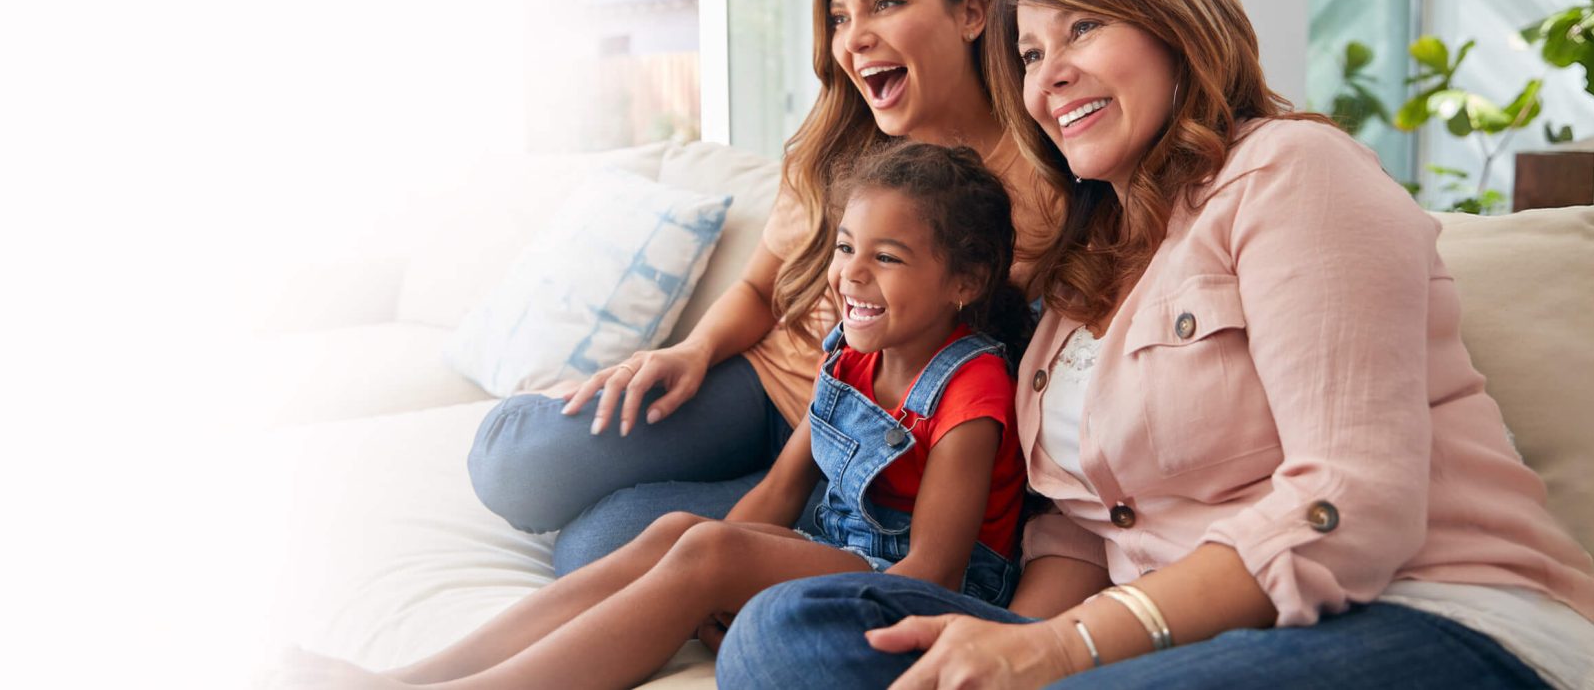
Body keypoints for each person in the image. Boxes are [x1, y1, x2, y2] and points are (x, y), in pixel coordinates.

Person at [714, 0, 1594, 690]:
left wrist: (1064, 649)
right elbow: (1078, 530)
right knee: (788, 633)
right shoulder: (1088, 263)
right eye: (1032, 55)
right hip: (1182, 637)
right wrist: (1003, 646)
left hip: (1434, 610)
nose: (1051, 78)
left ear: (1176, 20)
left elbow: (1353, 500)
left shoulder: (1294, 172)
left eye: (1083, 28)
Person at [281, 142, 1036, 690]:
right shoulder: (850, 350)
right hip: (841, 545)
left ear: (965, 279)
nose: (850, 276)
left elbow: (932, 573)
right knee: (684, 533)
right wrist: (725, 562)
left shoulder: (971, 394)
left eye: (888, 257)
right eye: (844, 247)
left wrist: (739, 578)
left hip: (921, 588)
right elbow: (779, 490)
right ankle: (416, 674)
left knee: (710, 554)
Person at [463, 0, 1058, 575]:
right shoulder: (839, 148)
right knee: (515, 460)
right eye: (839, 18)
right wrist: (692, 351)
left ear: (972, 13)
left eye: (884, 4)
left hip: (864, 459)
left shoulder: (1043, 188)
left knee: (591, 551)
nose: (854, 38)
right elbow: (758, 288)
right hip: (761, 388)